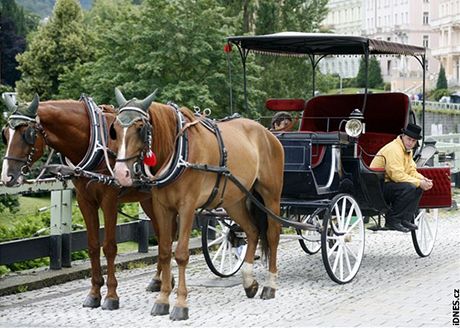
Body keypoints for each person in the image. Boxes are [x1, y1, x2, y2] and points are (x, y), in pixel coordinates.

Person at [370, 123, 433, 233]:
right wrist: (418, 182)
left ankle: (405, 219)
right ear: (403, 136)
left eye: (413, 141)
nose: (411, 143)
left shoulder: (406, 150)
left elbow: (411, 171)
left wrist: (423, 180)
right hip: (378, 186)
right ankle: (392, 220)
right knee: (409, 187)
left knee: (418, 187)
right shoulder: (394, 149)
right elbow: (396, 175)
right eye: (409, 139)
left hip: (390, 184)